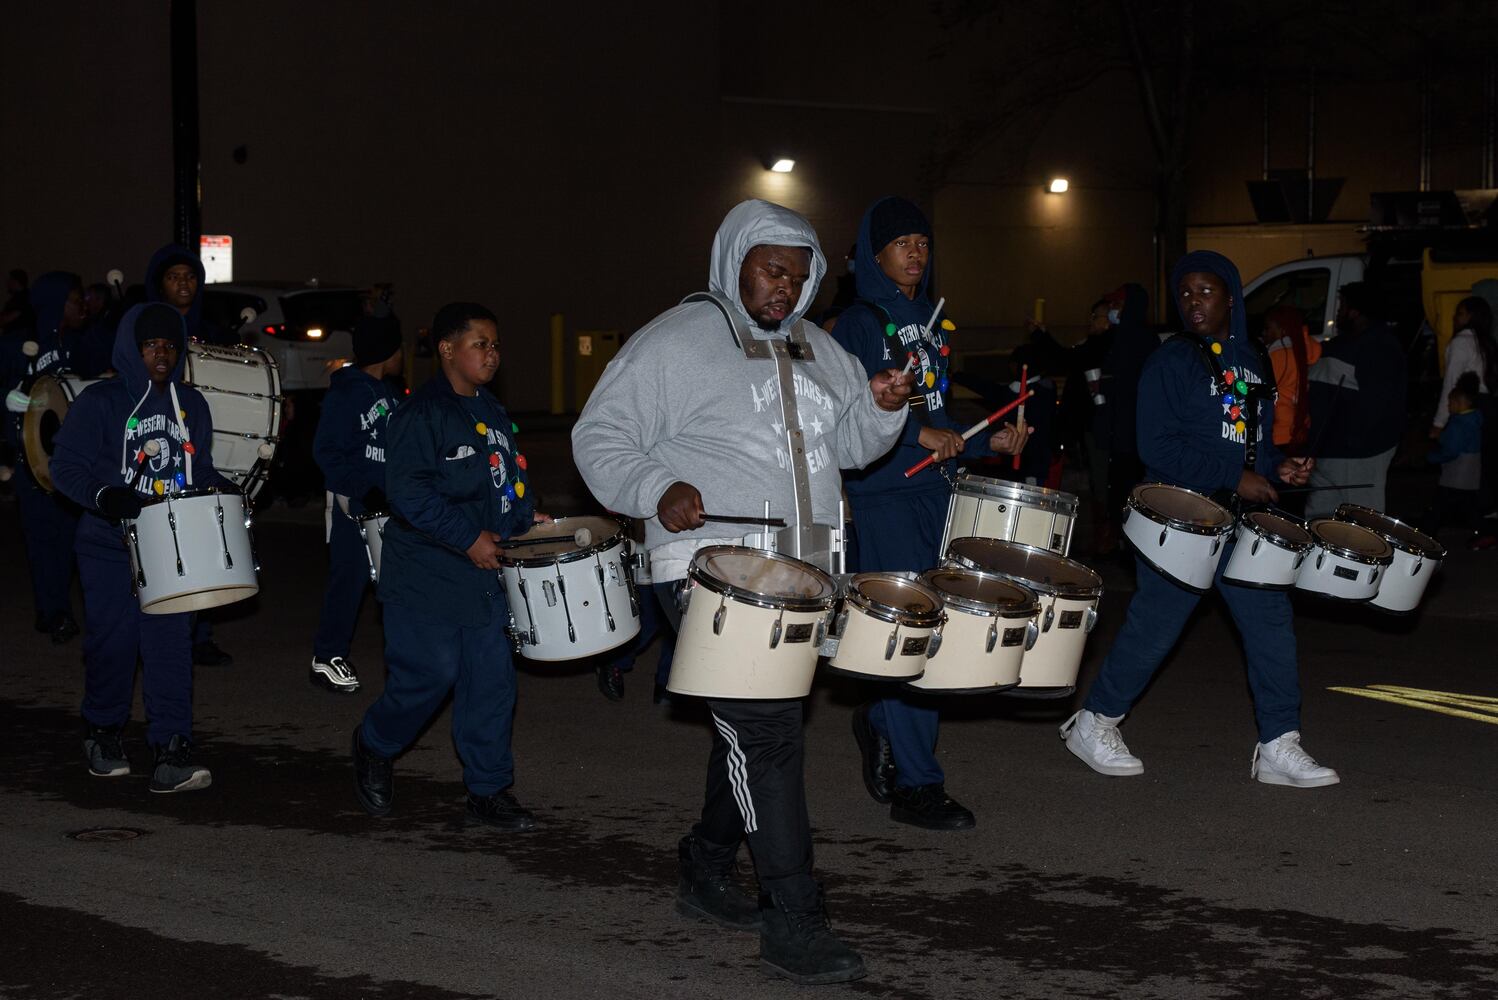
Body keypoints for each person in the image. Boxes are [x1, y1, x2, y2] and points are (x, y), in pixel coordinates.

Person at [572, 199, 912, 985]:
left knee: (757, 728)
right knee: (767, 734)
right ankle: (793, 917)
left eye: (798, 275)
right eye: (771, 269)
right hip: (711, 572)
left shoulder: (820, 349)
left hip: (805, 576)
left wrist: (883, 410)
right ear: (734, 262)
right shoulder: (676, 339)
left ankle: (706, 862)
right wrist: (656, 486)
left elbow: (853, 446)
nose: (784, 287)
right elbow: (599, 434)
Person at [1060, 250, 1337, 789]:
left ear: (1230, 296)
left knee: (1270, 625)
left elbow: (1254, 445)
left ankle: (1279, 744)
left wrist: (1284, 466)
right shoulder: (1171, 361)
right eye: (1185, 293)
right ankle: (1093, 722)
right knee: (1157, 626)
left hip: (1243, 520)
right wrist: (1233, 477)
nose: (1193, 302)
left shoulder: (1251, 359)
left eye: (1205, 291)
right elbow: (1155, 445)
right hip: (1182, 515)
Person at [829, 195, 1027, 832]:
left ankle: (884, 720)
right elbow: (849, 405)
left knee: (930, 628)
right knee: (913, 631)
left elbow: (937, 414)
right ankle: (918, 783)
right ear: (874, 252)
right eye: (901, 242)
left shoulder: (933, 321)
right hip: (886, 490)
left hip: (935, 489)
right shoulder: (860, 321)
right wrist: (917, 438)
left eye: (923, 241)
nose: (916, 252)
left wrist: (981, 442)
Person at [352, 302, 549, 833]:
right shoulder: (421, 414)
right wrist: (467, 538)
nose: (491, 353)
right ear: (446, 349)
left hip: (481, 573)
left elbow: (500, 481)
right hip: (425, 573)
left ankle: (488, 790)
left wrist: (527, 517)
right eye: (479, 343)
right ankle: (374, 743)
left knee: (491, 684)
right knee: (428, 675)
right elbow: (408, 491)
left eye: (495, 344)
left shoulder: (493, 413)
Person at [50, 302, 237, 792]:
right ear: (132, 348)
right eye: (152, 344)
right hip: (107, 546)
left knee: (170, 646)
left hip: (171, 548)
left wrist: (225, 488)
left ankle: (171, 748)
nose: (162, 354)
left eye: (171, 345)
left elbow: (199, 470)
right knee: (114, 644)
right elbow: (64, 468)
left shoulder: (191, 405)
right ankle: (103, 731)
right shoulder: (101, 402)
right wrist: (104, 495)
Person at [145, 244, 237, 665]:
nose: (184, 283)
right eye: (173, 276)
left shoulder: (213, 329)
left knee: (203, 533)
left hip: (197, 444)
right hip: (156, 446)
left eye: (190, 276)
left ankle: (200, 632)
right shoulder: (141, 327)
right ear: (158, 284)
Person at [308, 315, 403, 693]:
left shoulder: (392, 395)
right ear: (387, 351)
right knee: (349, 578)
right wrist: (362, 488)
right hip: (353, 505)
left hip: (388, 505)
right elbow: (326, 450)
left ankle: (405, 658)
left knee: (395, 581)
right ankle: (326, 655)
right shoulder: (346, 393)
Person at [2, 271, 91, 642]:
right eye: (74, 299)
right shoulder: (14, 345)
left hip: (73, 462)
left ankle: (61, 608)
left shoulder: (86, 343)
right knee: (42, 539)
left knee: (72, 538)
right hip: (32, 461)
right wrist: (7, 405)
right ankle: (53, 612)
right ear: (56, 303)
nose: (82, 306)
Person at [1304, 282, 1406, 519]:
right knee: (1321, 523)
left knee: (1360, 526)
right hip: (1330, 451)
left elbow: (1379, 405)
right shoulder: (1345, 345)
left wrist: (1353, 442)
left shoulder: (1378, 347)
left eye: (1342, 306)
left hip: (1358, 455)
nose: (1338, 312)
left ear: (1355, 311)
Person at [1427, 371, 1484, 539]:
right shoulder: (1474, 419)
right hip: (1470, 473)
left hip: (1456, 474)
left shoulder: (1459, 424)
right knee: (1469, 505)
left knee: (1439, 505)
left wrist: (1432, 457)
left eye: (1450, 403)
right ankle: (1483, 533)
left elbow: (1451, 450)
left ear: (1459, 403)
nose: (1448, 406)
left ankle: (1428, 535)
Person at [1261, 303, 1321, 451]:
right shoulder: (1304, 350)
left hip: (1278, 429)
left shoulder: (1278, 355)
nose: (1263, 333)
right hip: (1300, 426)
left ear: (1283, 330)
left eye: (1268, 328)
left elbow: (1262, 391)